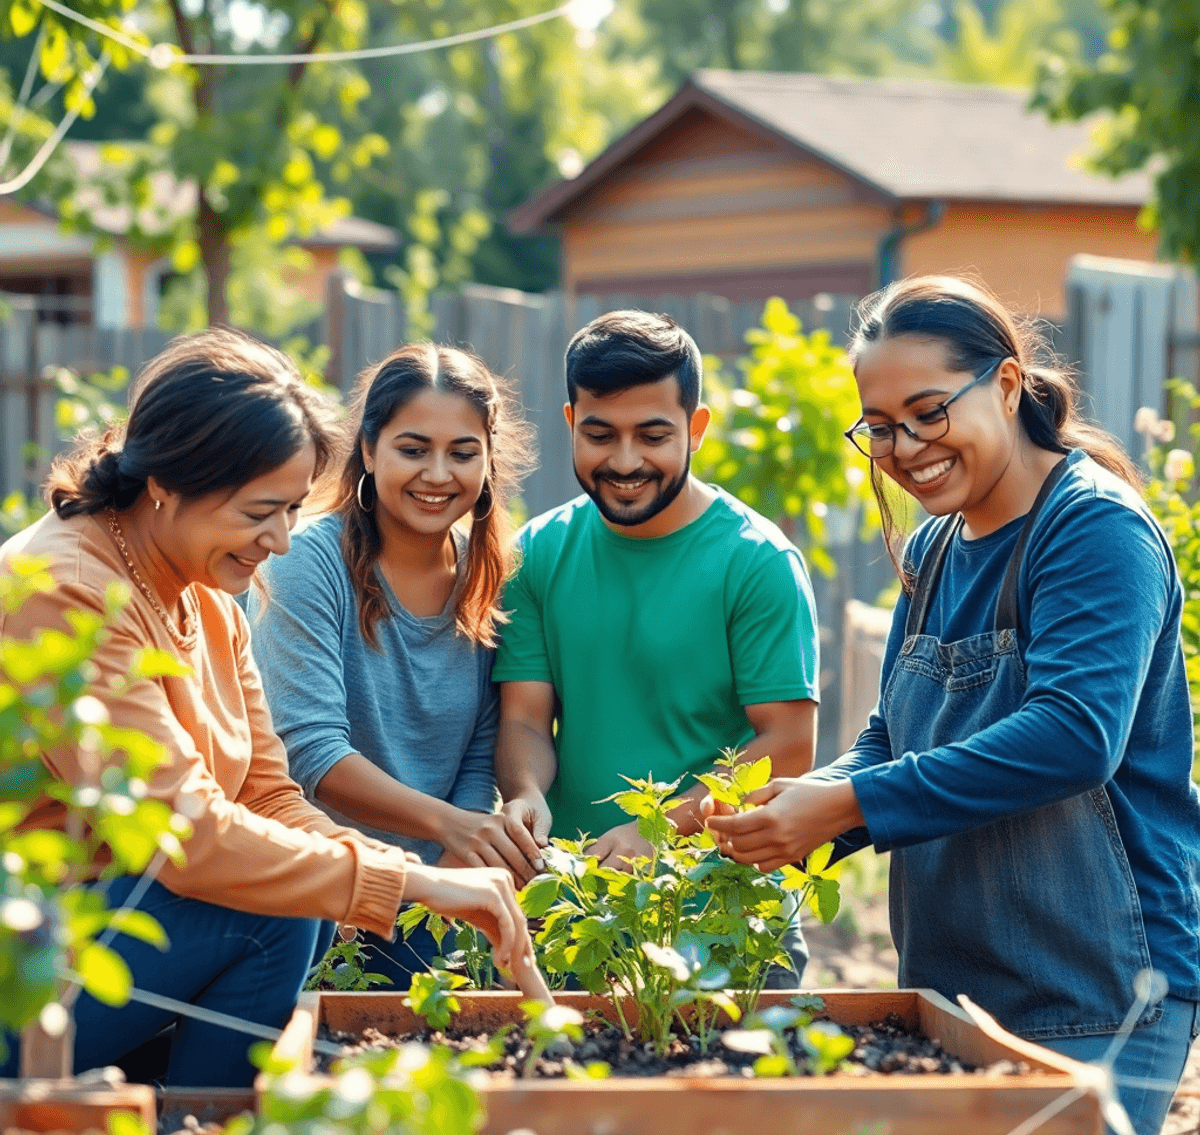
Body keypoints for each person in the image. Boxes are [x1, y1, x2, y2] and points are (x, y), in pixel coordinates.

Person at [704, 277, 1200, 1135]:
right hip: (955, 985)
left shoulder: (1091, 530)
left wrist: (852, 801)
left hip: (1095, 991)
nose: (904, 446)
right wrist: (802, 809)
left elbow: (1076, 735)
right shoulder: (937, 545)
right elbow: (894, 733)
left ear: (1006, 386)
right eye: (882, 426)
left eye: (929, 411)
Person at [0, 330, 545, 1088]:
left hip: (108, 940)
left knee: (307, 889)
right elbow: (181, 833)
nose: (284, 542)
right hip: (24, 970)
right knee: (276, 909)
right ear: (167, 481)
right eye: (263, 512)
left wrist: (403, 872)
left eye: (292, 510)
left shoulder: (202, 587)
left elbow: (268, 795)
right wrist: (415, 882)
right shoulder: (68, 590)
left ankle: (192, 1104)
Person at [493, 309, 821, 980]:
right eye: (600, 434)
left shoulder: (755, 562)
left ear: (696, 429)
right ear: (569, 425)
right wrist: (525, 793)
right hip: (575, 908)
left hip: (725, 910)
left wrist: (660, 831)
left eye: (653, 434)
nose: (624, 460)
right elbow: (525, 718)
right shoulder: (536, 554)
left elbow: (788, 743)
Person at [248, 343, 539, 988]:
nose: (438, 474)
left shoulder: (485, 573)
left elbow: (477, 749)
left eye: (463, 453)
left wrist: (464, 855)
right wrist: (451, 830)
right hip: (320, 894)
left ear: (489, 461)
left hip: (435, 908)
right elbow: (310, 752)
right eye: (413, 450)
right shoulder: (306, 562)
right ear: (370, 451)